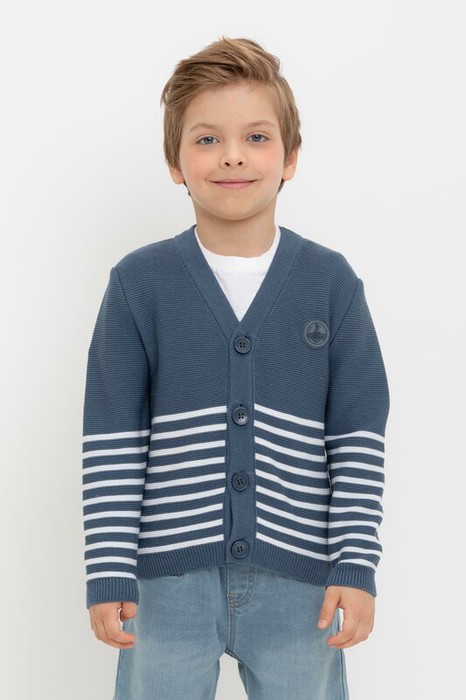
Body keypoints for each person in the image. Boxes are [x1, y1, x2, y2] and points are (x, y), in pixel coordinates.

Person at [82, 36, 390, 700]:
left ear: (290, 157)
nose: (232, 155)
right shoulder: (140, 283)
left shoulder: (330, 283)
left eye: (256, 136)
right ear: (175, 162)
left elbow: (358, 435)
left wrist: (355, 564)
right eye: (207, 139)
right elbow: (112, 435)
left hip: (300, 579)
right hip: (165, 581)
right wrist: (108, 569)